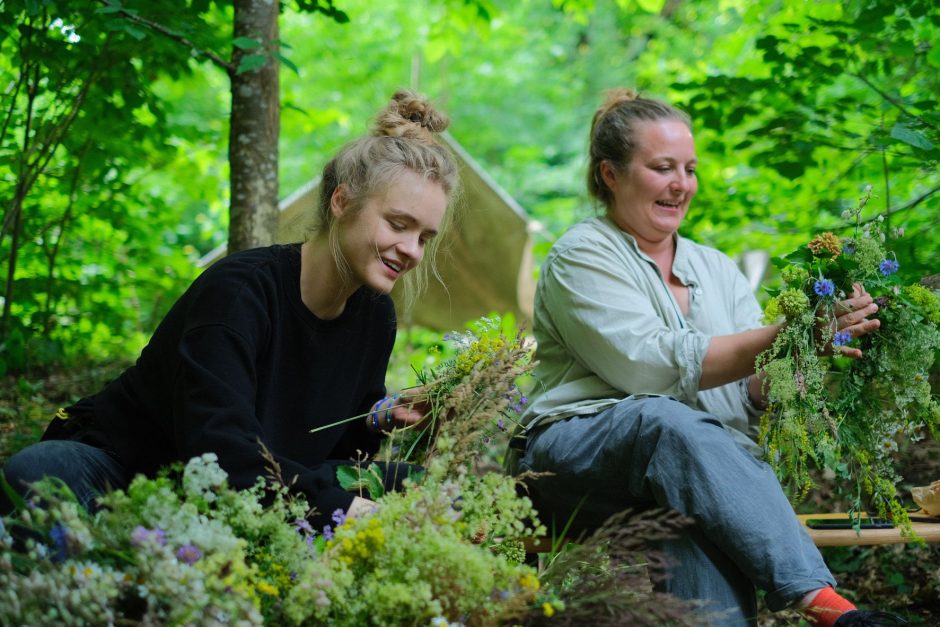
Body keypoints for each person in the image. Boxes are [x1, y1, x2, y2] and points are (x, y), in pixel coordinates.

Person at [513, 89, 901, 626]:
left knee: (688, 509)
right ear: (610, 174)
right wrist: (779, 334)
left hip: (678, 473)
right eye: (662, 167)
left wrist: (807, 349)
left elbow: (750, 391)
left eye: (690, 169)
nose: (682, 184)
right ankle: (828, 607)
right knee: (663, 421)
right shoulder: (581, 255)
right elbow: (646, 368)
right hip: (568, 462)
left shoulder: (715, 267)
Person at [1, 89, 458, 525]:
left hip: (249, 498)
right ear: (342, 201)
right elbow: (219, 452)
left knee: (425, 489)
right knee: (42, 472)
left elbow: (336, 455)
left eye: (423, 238)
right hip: (130, 473)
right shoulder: (241, 292)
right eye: (399, 224)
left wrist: (377, 419)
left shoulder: (374, 316)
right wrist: (343, 512)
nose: (412, 250)